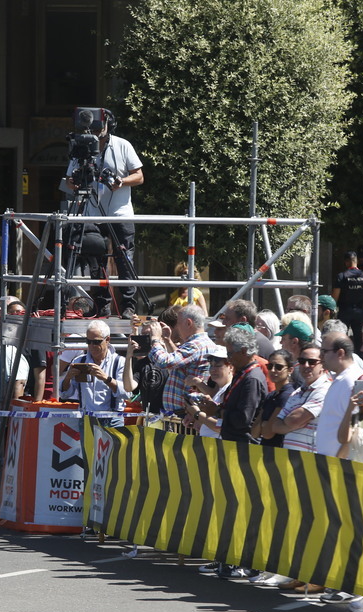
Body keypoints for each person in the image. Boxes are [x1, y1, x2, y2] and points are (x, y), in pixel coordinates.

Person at [64, 109, 144, 319]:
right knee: (95, 260)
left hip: (120, 214)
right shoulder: (81, 145)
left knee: (124, 259)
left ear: (110, 125)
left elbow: (139, 176)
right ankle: (101, 305)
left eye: (100, 128)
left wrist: (121, 182)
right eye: (93, 128)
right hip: (92, 213)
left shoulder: (122, 145)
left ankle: (128, 306)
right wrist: (73, 182)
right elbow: (69, 180)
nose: (96, 132)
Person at [144, 305, 217, 414]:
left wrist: (155, 339)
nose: (177, 328)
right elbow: (178, 364)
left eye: (178, 323)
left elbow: (163, 362)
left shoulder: (195, 345)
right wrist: (167, 340)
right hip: (187, 413)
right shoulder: (202, 343)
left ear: (188, 323)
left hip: (187, 414)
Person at [59, 320, 128, 428]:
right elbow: (65, 394)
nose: (92, 346)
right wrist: (67, 378)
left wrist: (106, 378)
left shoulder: (120, 362)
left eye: (96, 342)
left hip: (113, 419)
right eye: (88, 341)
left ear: (107, 340)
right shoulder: (79, 361)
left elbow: (126, 393)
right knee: (87, 446)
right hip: (87, 418)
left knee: (114, 446)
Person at [268, 343, 328, 453]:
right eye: (302, 361)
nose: (306, 365)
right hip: (291, 460)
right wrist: (292, 424)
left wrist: (288, 423)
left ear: (323, 364)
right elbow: (275, 426)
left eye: (312, 362)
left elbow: (294, 419)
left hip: (311, 461)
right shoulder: (297, 392)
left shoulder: (325, 390)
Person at [316, 331, 362, 457]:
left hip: (338, 467)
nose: (320, 356)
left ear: (340, 353)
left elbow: (354, 430)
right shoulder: (341, 379)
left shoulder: (351, 381)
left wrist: (337, 464)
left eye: (324, 351)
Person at [182, 346, 232, 438]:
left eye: (218, 365)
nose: (213, 369)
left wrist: (197, 414)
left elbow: (221, 426)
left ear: (231, 367)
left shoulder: (231, 390)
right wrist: (197, 418)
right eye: (211, 365)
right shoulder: (220, 391)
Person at [253, 350, 294, 447]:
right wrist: (264, 424)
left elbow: (267, 433)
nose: (273, 370)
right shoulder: (271, 395)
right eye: (270, 366)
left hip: (280, 451)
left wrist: (263, 425)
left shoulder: (288, 395)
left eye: (279, 367)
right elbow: (254, 432)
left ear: (290, 370)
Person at [333, 250, 363, 352]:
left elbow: (335, 297)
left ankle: (343, 355)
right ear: (356, 261)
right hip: (359, 312)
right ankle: (360, 358)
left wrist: (333, 310)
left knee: (342, 336)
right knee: (359, 338)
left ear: (346, 262)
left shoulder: (342, 276)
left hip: (344, 311)